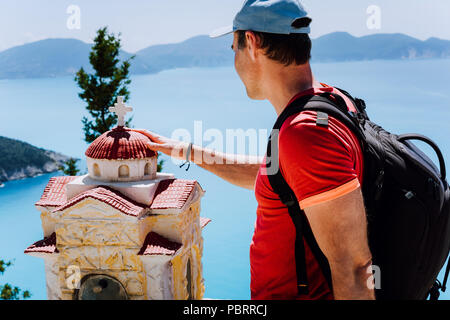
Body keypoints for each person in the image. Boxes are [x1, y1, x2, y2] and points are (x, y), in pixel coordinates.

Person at [132, 0, 375, 300]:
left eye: (233, 48)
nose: (234, 59)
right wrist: (185, 151)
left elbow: (353, 267)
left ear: (252, 42)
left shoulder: (306, 134)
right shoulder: (330, 100)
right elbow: (278, 177)